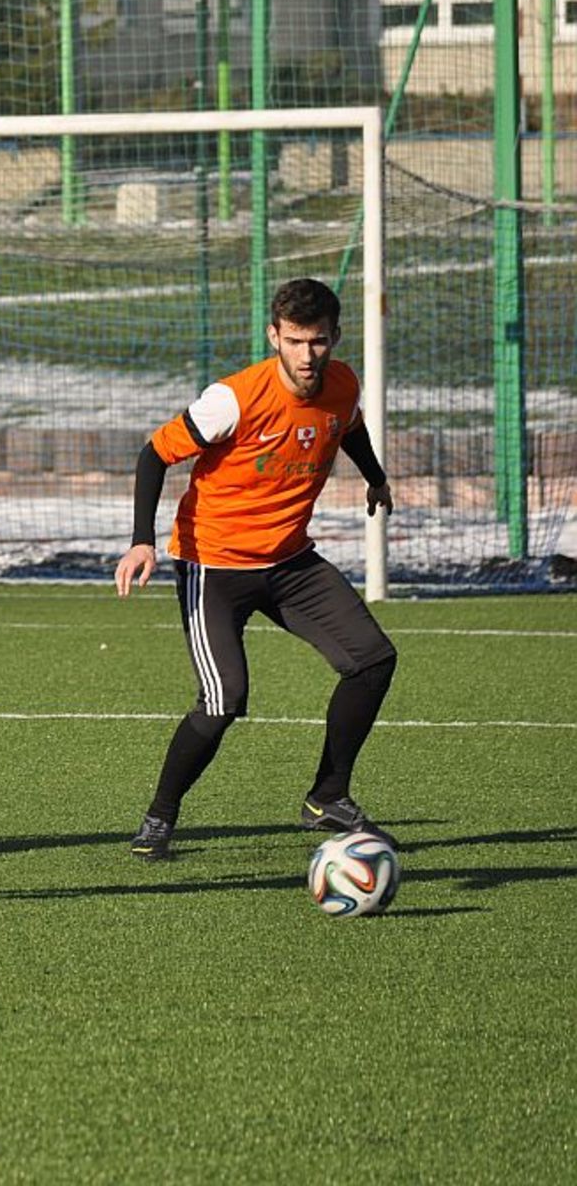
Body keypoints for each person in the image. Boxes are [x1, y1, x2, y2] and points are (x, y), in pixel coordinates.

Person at [115, 277, 398, 860]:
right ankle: (159, 818)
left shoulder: (342, 383)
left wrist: (374, 476)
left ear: (335, 338)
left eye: (318, 341)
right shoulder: (233, 398)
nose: (307, 355)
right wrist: (142, 541)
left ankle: (329, 796)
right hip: (213, 567)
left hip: (291, 561)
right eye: (294, 341)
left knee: (372, 660)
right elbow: (154, 454)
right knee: (223, 701)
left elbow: (348, 426)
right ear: (274, 336)